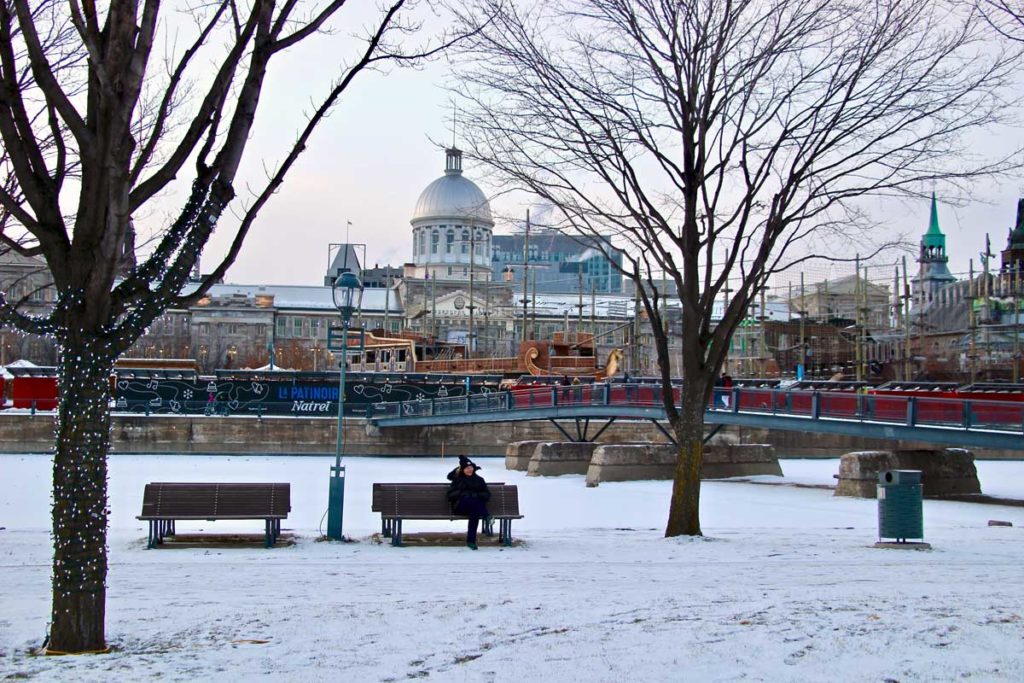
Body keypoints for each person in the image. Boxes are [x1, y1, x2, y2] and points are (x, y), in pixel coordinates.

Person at [446, 455, 491, 550]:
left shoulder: (479, 480)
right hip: (460, 507)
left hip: (474, 508)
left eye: (471, 468)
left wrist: (477, 495)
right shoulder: (458, 480)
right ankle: (486, 515)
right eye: (467, 468)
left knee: (474, 511)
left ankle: (471, 541)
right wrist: (463, 493)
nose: (469, 470)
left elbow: (487, 494)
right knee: (469, 499)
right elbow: (449, 496)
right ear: (462, 470)